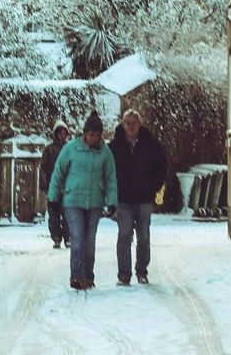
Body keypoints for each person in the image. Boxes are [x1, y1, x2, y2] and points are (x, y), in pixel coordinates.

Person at [47, 110, 117, 291]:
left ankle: (88, 276)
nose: (95, 138)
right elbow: (58, 173)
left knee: (90, 241)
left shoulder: (105, 152)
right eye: (92, 134)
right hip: (73, 200)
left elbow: (110, 178)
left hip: (94, 202)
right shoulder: (70, 148)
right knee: (77, 238)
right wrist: (53, 196)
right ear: (85, 133)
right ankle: (76, 276)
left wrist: (112, 201)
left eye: (98, 135)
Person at [110, 109, 167, 285]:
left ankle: (142, 271)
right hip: (123, 198)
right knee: (124, 235)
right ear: (122, 124)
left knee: (144, 236)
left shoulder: (151, 145)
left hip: (144, 198)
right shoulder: (114, 147)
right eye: (127, 123)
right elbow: (108, 171)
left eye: (134, 122)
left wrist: (153, 187)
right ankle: (124, 274)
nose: (131, 126)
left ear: (139, 124)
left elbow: (162, 167)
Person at [40, 121, 71, 249]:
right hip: (53, 186)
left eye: (64, 133)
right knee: (53, 215)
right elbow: (43, 168)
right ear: (56, 134)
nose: (62, 135)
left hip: (68, 187)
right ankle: (56, 237)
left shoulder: (70, 148)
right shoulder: (49, 150)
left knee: (67, 214)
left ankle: (68, 237)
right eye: (60, 133)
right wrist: (44, 185)